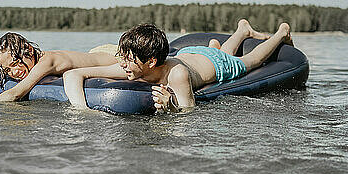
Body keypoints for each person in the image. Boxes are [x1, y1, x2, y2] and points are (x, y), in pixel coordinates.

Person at [63, 19, 292, 112]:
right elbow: (72, 75)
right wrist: (83, 112)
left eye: (128, 58)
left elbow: (189, 111)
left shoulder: (177, 75)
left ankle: (280, 33)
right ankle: (242, 30)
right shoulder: (128, 67)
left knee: (251, 61)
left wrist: (170, 103)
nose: (121, 63)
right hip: (190, 52)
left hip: (213, 64)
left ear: (151, 61)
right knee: (218, 50)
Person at [0, 32, 118, 102]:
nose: (13, 72)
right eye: (7, 70)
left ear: (29, 51)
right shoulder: (14, 63)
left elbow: (16, 93)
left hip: (113, 56)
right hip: (94, 53)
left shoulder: (47, 61)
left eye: (15, 64)